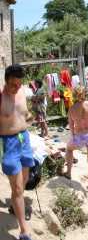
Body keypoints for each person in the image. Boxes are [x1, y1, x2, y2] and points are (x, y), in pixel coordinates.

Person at [0, 65, 35, 240]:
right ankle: (24, 230)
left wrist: (30, 118)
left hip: (25, 139)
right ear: (6, 81)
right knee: (18, 188)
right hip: (8, 144)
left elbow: (24, 113)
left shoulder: (21, 92)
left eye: (19, 84)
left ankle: (15, 205)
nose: (16, 88)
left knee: (25, 181)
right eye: (13, 84)